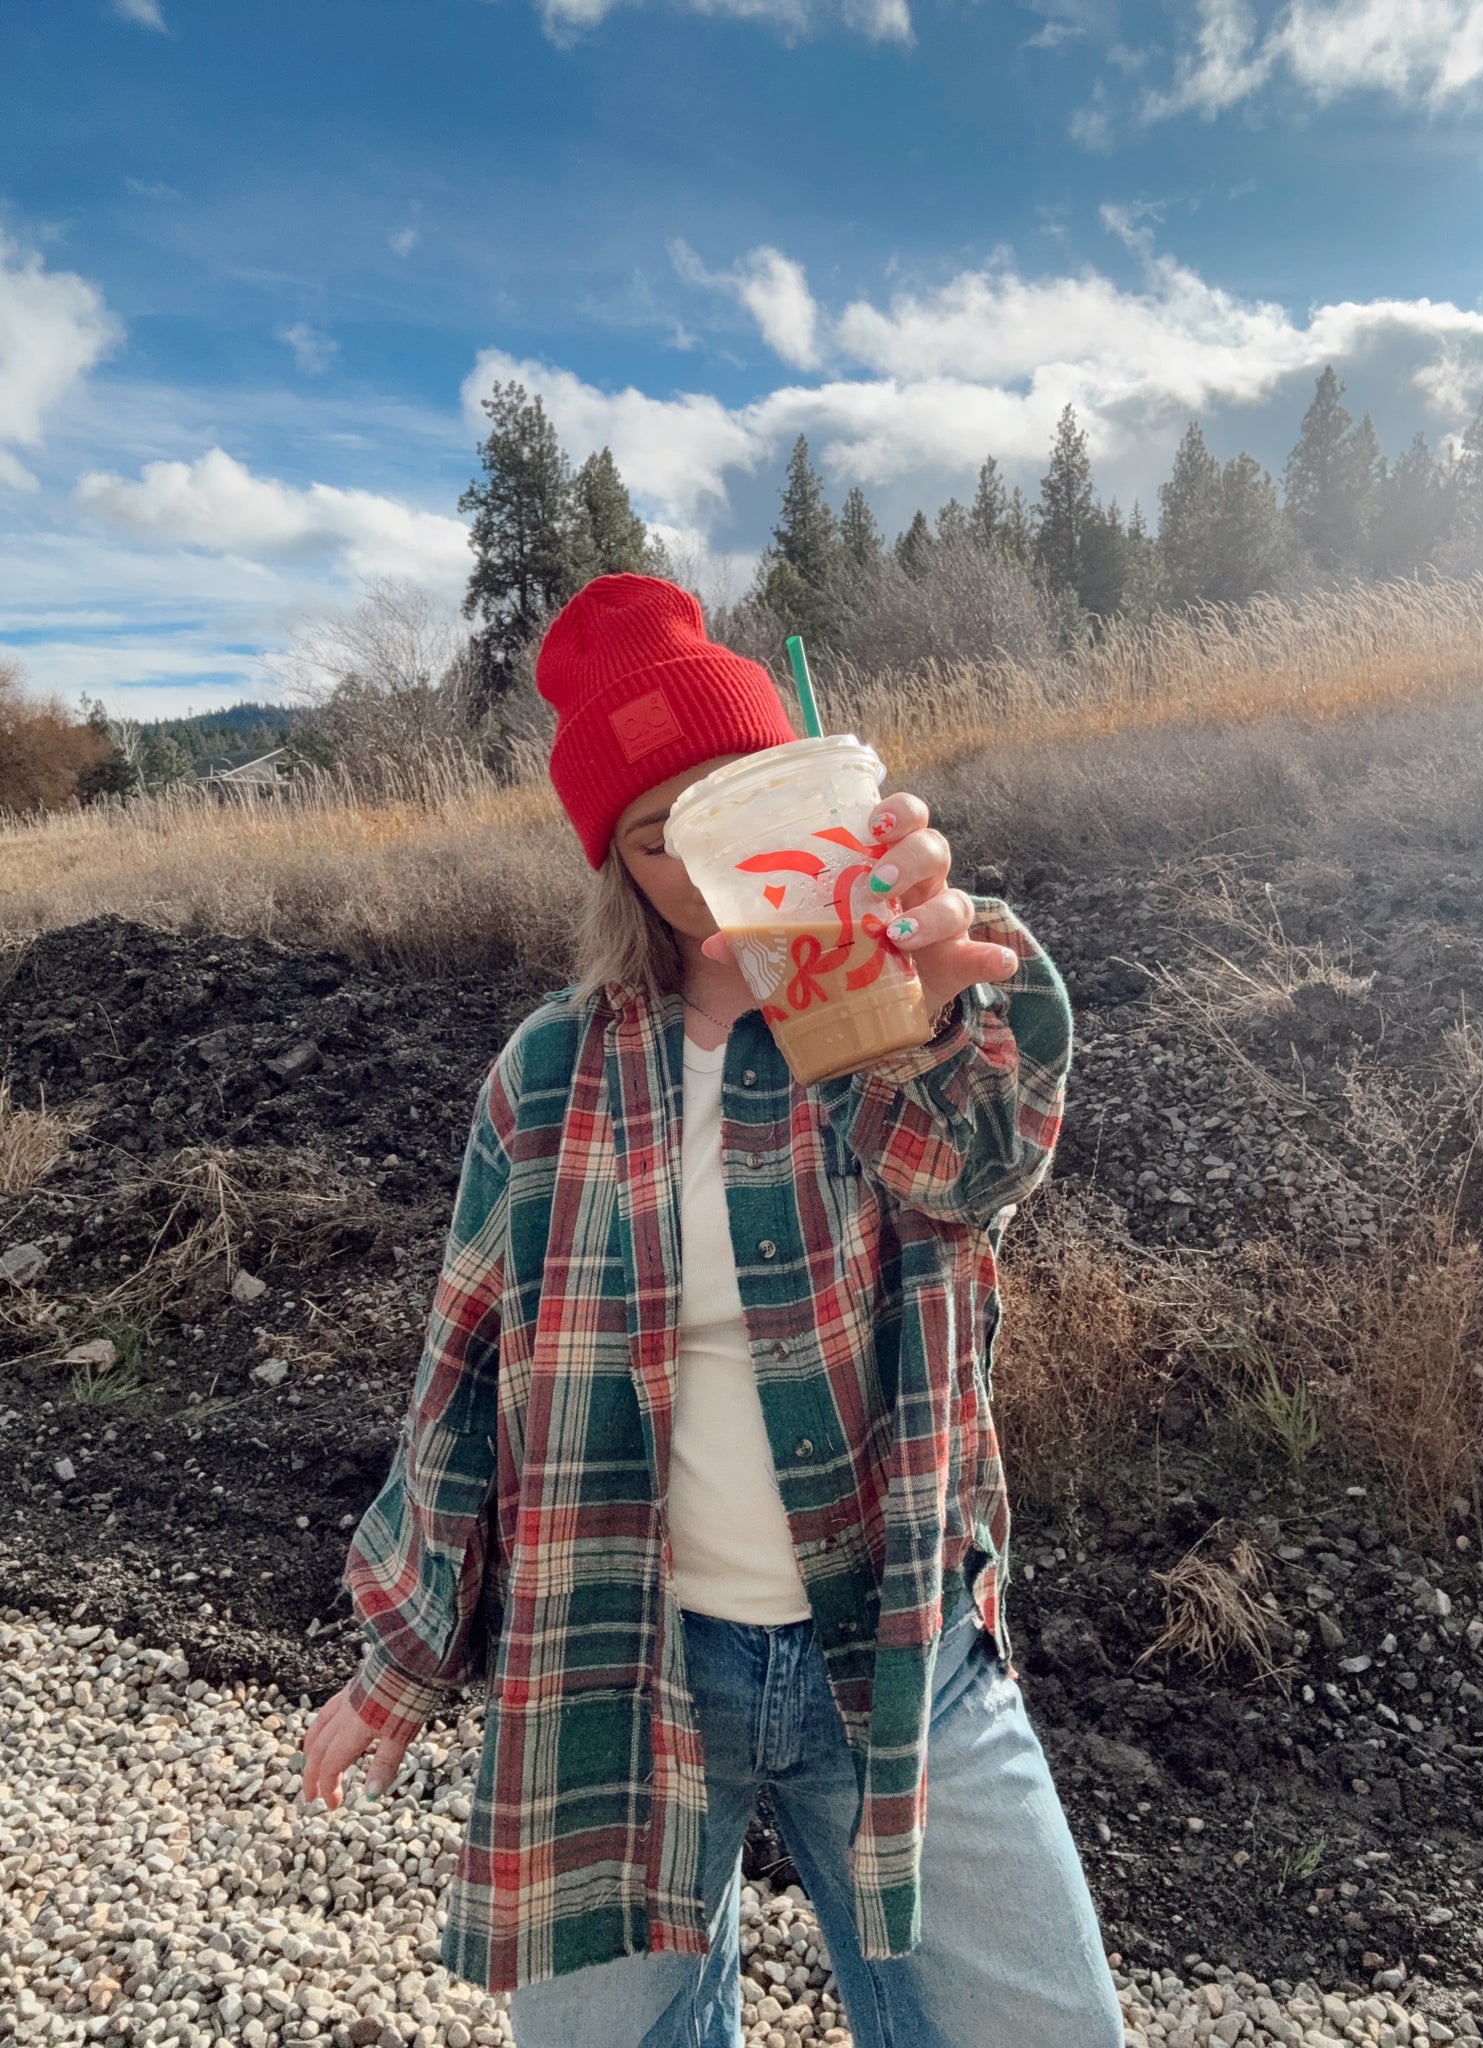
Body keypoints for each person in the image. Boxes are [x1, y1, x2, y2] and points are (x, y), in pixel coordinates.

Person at [301, 574, 1122, 2048]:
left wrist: (929, 1011)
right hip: (617, 1658)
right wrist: (402, 1660)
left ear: (794, 781)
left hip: (901, 1648)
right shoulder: (546, 1075)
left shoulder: (900, 998)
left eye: (731, 802)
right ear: (615, 869)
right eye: (654, 835)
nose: (705, 859)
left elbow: (987, 1162)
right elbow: (466, 1375)